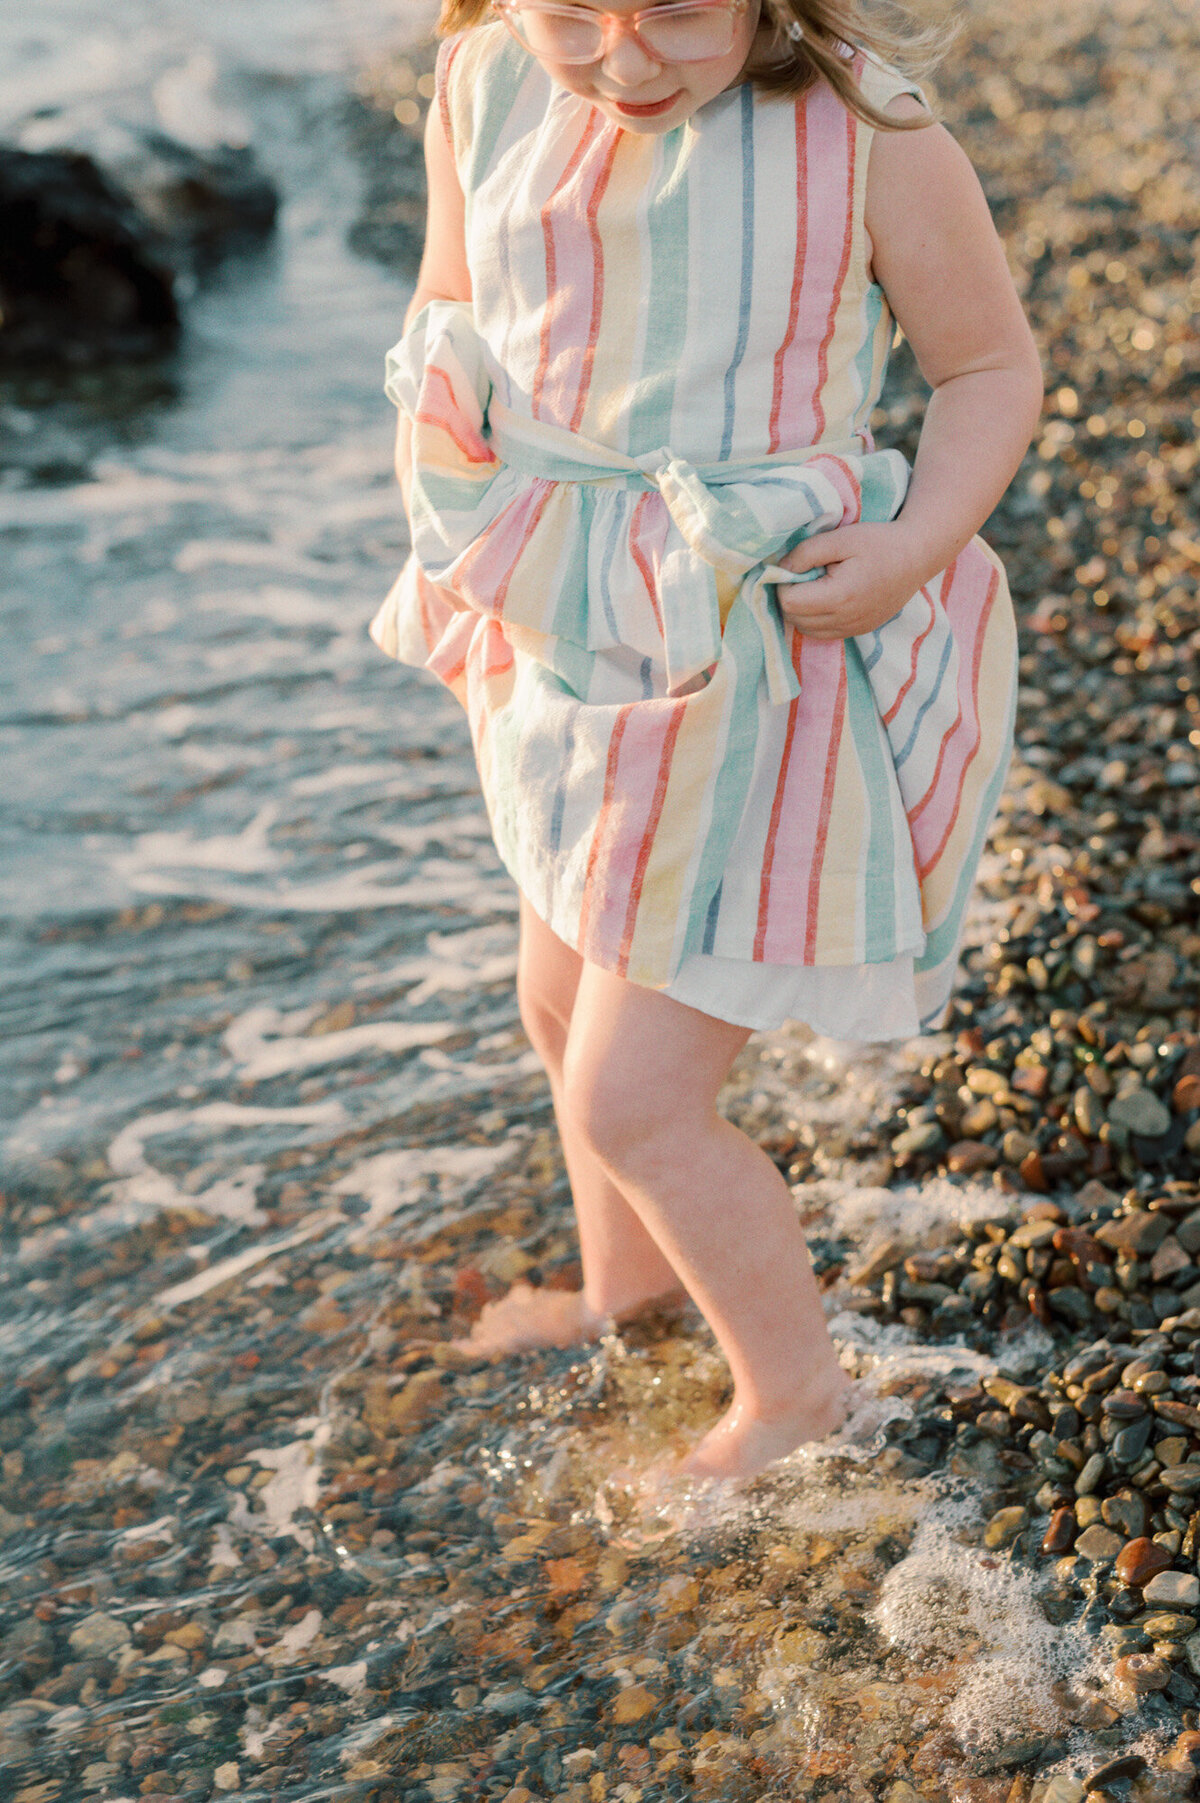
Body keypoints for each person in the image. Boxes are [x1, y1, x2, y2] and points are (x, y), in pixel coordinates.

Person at [371, 0, 1043, 1482]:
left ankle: (795, 1394)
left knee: (638, 1092)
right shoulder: (481, 81)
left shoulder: (865, 133)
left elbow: (991, 369)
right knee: (555, 986)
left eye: (678, 10)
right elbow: (452, 312)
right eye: (576, 14)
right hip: (570, 620)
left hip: (763, 645)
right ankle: (632, 1289)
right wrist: (456, 539)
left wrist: (919, 543)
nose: (625, 59)